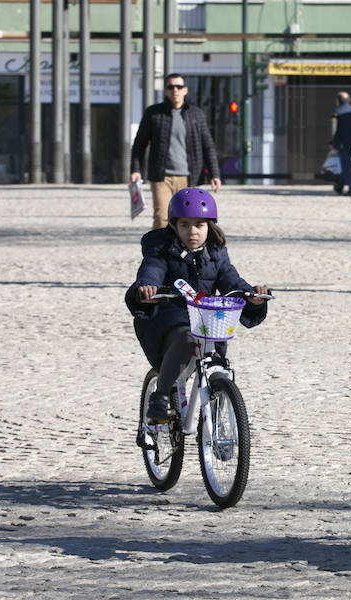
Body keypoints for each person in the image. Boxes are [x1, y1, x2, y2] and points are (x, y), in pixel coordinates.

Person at [125, 187, 268, 423]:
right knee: (188, 338)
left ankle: (222, 422)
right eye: (185, 225)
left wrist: (251, 296)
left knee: (218, 361)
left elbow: (232, 280)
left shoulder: (215, 253)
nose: (192, 231)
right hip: (169, 319)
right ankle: (160, 396)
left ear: (210, 226)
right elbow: (151, 272)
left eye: (199, 225)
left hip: (206, 320)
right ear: (174, 226)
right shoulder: (161, 249)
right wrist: (147, 289)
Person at [130, 73, 222, 230]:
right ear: (165, 91)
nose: (175, 90)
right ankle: (158, 253)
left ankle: (179, 252)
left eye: (179, 87)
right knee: (162, 217)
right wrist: (135, 170)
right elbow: (139, 144)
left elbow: (208, 145)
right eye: (171, 87)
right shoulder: (153, 113)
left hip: (188, 177)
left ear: (185, 90)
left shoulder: (196, 114)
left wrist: (214, 173)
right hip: (161, 177)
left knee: (186, 218)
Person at [331, 91, 351, 196]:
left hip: (342, 142)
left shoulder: (337, 112)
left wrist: (333, 142)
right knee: (346, 164)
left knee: (345, 166)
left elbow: (334, 129)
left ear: (339, 100)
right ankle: (339, 187)